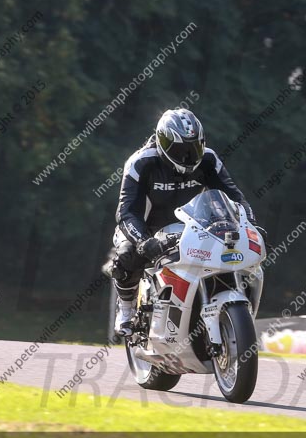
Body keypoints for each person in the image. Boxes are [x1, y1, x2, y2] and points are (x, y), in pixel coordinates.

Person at [108, 108, 261, 336]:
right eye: (180, 149)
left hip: (193, 226)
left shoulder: (208, 159)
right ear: (162, 142)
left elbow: (234, 197)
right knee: (126, 255)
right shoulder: (141, 163)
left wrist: (251, 224)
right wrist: (143, 241)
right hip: (144, 228)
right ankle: (127, 308)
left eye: (194, 147)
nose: (188, 156)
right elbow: (126, 211)